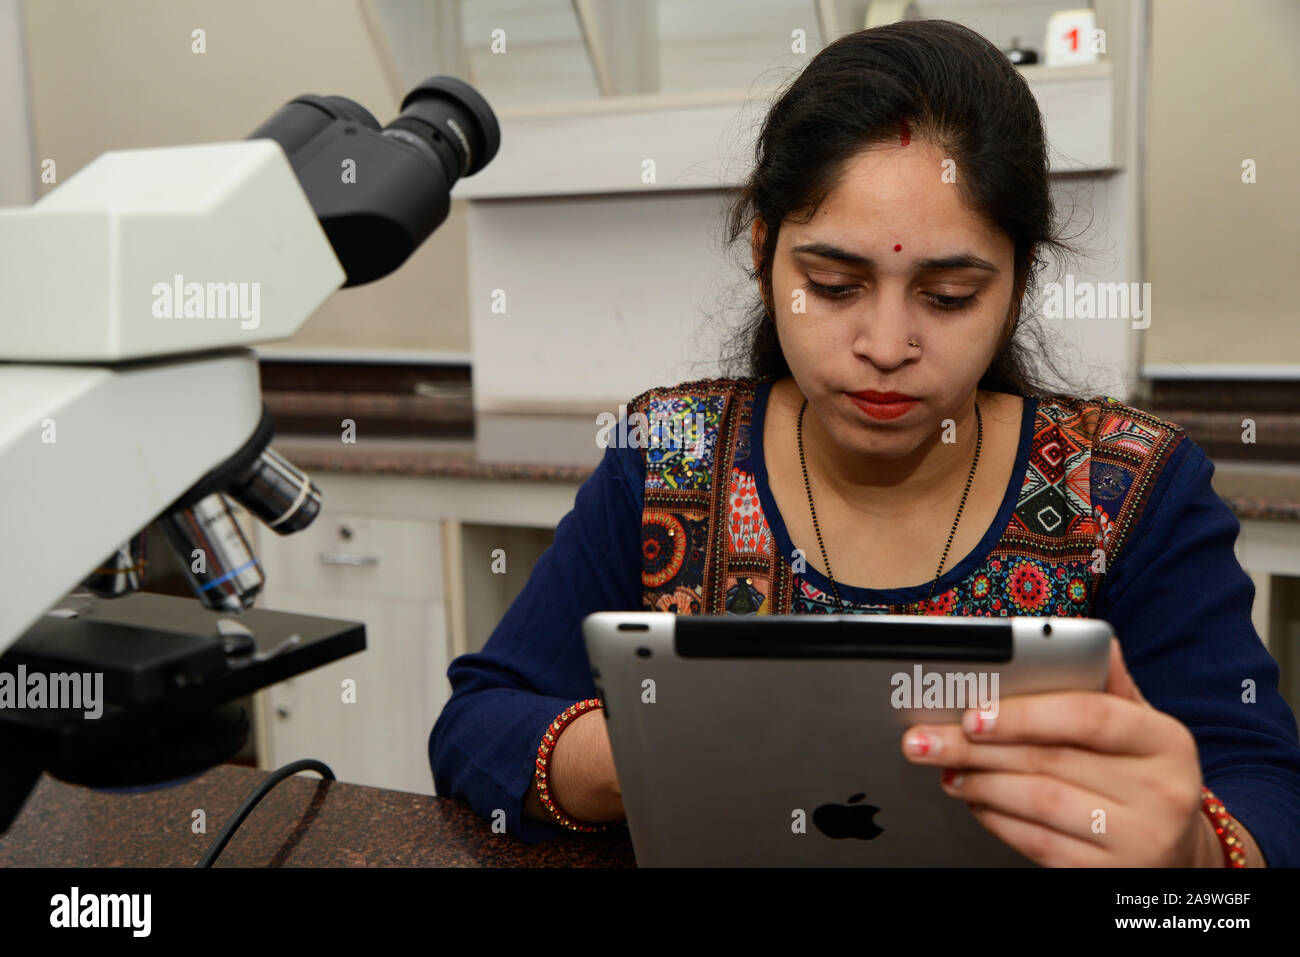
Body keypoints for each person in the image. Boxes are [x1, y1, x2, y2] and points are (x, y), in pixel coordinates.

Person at [429, 20, 1300, 866]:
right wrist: (650, 756)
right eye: (835, 285)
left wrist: (1192, 850)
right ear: (764, 252)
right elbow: (476, 725)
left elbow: (1266, 789)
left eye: (949, 295)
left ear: (1019, 282)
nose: (887, 344)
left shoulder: (1128, 490)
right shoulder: (673, 455)